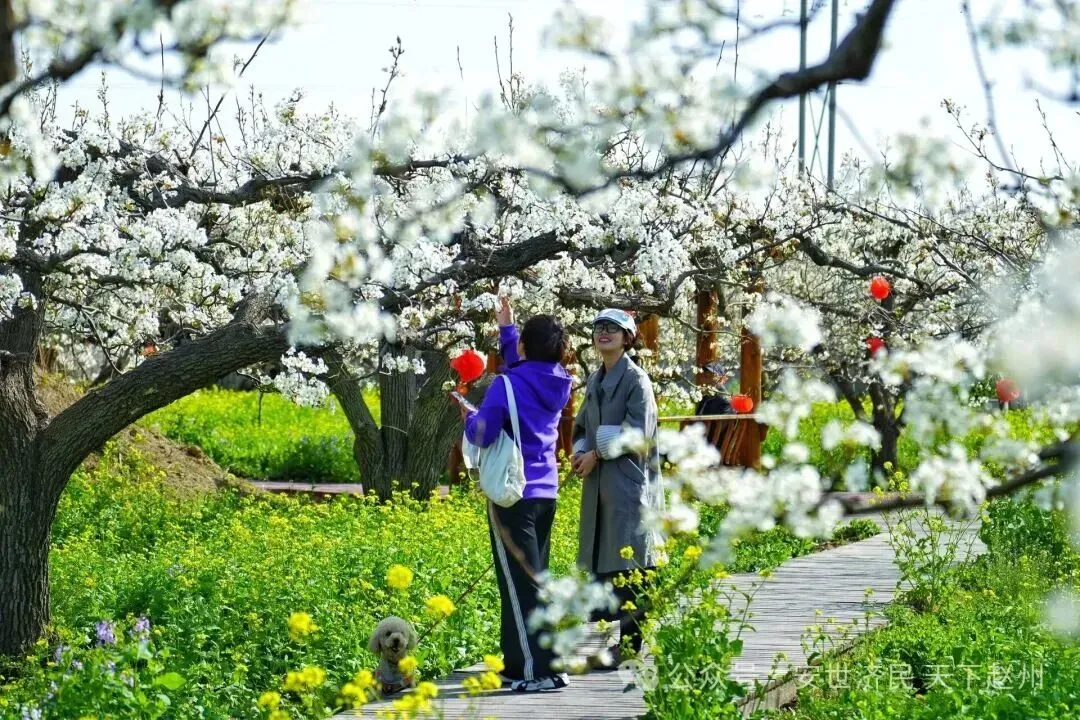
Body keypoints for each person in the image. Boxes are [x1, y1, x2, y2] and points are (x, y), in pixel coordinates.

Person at [456, 297, 573, 693]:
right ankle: (520, 663)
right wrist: (508, 329)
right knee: (528, 580)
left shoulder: (506, 384)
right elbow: (523, 372)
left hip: (512, 493)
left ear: (525, 346)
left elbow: (483, 432)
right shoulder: (558, 380)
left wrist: (469, 417)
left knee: (522, 585)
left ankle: (539, 671)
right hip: (545, 492)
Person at [570, 308, 665, 667]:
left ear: (628, 337)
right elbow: (581, 426)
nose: (604, 332)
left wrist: (595, 453)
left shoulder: (637, 380)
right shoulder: (596, 379)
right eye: (598, 327)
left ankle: (629, 647)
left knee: (630, 565)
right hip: (600, 487)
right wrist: (581, 452)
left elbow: (637, 432)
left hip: (628, 487)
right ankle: (608, 645)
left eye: (613, 328)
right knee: (605, 565)